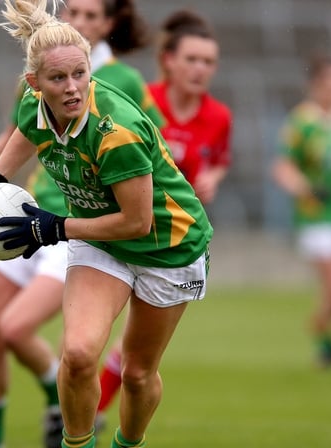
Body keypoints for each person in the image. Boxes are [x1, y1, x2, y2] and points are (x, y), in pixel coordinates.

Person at [0, 1, 213, 447]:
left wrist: (54, 227)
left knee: (137, 374)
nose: (73, 88)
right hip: (101, 241)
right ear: (34, 84)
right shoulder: (33, 105)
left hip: (167, 247)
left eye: (80, 74)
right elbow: (27, 129)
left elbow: (137, 223)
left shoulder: (115, 130)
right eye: (58, 79)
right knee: (78, 355)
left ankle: (126, 443)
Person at [95, 8, 231, 424]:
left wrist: (213, 178)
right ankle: (84, 418)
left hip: (171, 241)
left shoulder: (219, 117)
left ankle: (95, 419)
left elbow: (218, 159)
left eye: (208, 62)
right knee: (96, 346)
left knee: (135, 361)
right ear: (168, 60)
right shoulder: (139, 100)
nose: (200, 69)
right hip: (122, 231)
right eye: (191, 59)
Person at [271, 55, 331, 368]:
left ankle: (321, 321)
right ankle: (326, 342)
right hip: (317, 215)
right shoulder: (301, 122)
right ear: (315, 86)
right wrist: (305, 188)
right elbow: (282, 167)